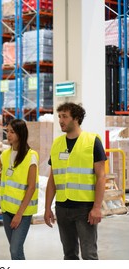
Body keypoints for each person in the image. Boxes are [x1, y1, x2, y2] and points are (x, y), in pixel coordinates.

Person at [44, 102, 106, 260]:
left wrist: (97, 208)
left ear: (76, 118)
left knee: (89, 254)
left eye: (65, 116)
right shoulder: (57, 143)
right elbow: (53, 179)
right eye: (59, 116)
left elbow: (101, 177)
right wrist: (47, 208)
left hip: (84, 208)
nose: (60, 120)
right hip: (62, 208)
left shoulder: (92, 141)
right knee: (69, 254)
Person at [0, 119, 39, 260]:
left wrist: (19, 214)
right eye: (7, 131)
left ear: (21, 134)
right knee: (15, 249)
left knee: (15, 250)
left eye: (12, 132)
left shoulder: (31, 156)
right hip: (6, 209)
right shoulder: (5, 155)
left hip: (22, 212)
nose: (8, 135)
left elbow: (31, 187)